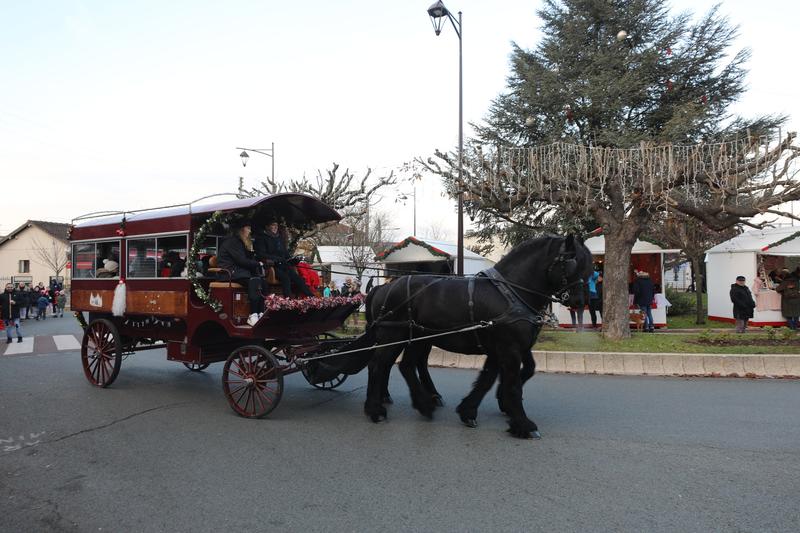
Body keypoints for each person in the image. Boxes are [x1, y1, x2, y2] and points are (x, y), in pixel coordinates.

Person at [217, 220, 267, 326]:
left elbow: (245, 259)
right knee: (253, 282)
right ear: (241, 230)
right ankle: (252, 314)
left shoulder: (241, 242)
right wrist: (258, 263)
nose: (250, 231)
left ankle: (261, 312)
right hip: (229, 272)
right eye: (248, 228)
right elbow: (241, 260)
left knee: (263, 283)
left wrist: (251, 252)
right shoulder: (232, 242)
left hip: (239, 271)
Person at [253, 221, 313, 297]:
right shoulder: (261, 239)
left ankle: (311, 297)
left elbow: (285, 254)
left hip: (284, 265)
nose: (275, 227)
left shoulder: (279, 239)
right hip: (272, 266)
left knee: (297, 278)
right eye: (273, 225)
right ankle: (287, 300)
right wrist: (277, 259)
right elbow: (261, 254)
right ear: (267, 226)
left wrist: (293, 259)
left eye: (276, 225)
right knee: (285, 278)